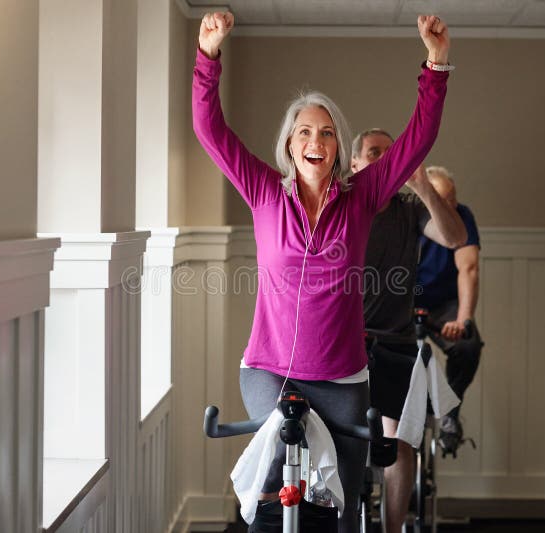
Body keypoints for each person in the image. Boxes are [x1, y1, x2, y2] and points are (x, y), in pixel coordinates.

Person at [193, 11, 452, 532]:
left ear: (337, 150)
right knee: (274, 489)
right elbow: (210, 130)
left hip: (341, 374)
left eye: (328, 133)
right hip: (268, 369)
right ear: (291, 144)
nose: (317, 139)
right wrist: (208, 56)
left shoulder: (363, 199)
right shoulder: (265, 191)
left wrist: (436, 64)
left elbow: (417, 139)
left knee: (345, 499)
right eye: (306, 131)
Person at [354, 129, 466, 533]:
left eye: (390, 153)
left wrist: (422, 186)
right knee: (343, 440)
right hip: (346, 343)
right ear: (355, 165)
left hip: (397, 342)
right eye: (373, 153)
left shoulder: (409, 208)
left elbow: (455, 237)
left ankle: (392, 528)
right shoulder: (345, 204)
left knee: (400, 442)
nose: (383, 159)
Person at [415, 165, 484, 456]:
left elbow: (468, 268)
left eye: (453, 198)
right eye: (443, 201)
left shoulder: (462, 216)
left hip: (443, 303)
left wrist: (463, 320)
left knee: (467, 346)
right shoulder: (410, 215)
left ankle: (448, 413)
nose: (451, 207)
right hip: (405, 300)